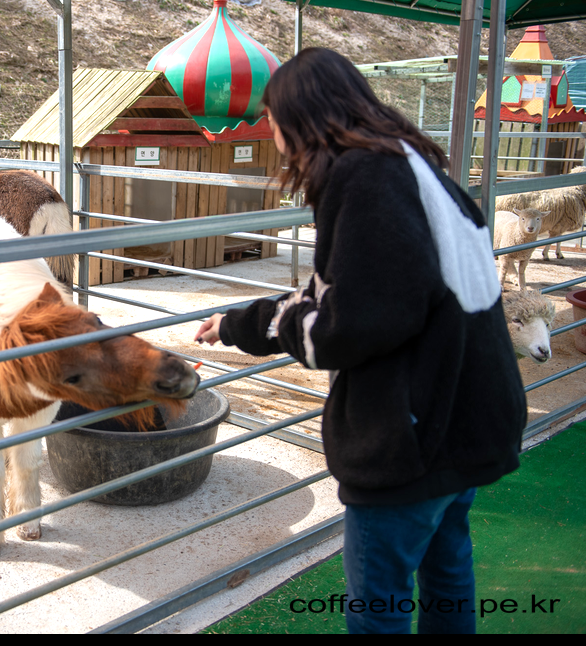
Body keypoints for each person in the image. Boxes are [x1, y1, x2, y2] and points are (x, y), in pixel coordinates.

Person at [195, 48, 527, 634]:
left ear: (300, 116)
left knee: (380, 600)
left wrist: (274, 324)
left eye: (271, 119)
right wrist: (241, 324)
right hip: (469, 419)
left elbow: (347, 326)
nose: (270, 133)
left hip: (415, 435)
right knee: (448, 574)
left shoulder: (364, 177)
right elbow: (360, 292)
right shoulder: (411, 167)